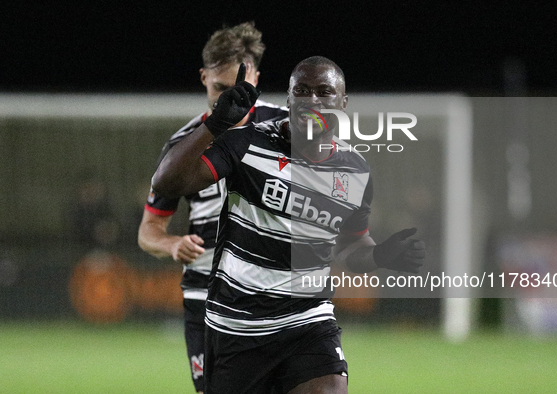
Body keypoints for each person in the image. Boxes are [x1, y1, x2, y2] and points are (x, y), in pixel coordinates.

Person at [152, 56, 426, 394]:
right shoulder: (246, 145)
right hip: (238, 326)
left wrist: (381, 255)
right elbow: (166, 184)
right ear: (289, 99)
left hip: (308, 320)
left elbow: (349, 247)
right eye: (302, 91)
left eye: (324, 92)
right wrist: (214, 125)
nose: (312, 100)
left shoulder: (355, 170)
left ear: (342, 103)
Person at [137, 22, 287, 393]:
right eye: (221, 89)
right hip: (205, 294)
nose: (231, 101)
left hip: (273, 293)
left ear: (255, 75)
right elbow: (148, 232)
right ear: (204, 78)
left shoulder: (288, 129)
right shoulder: (182, 146)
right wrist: (171, 244)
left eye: (241, 88)